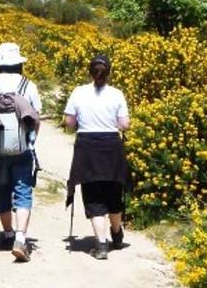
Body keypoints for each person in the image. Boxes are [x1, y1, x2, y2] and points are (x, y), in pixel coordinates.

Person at [0, 42, 42, 262]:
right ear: (19, 63)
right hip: (22, 149)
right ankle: (20, 238)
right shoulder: (28, 85)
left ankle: (8, 234)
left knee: (1, 189)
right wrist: (31, 141)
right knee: (23, 190)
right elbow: (36, 118)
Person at [64, 54, 130, 260]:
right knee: (113, 193)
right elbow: (125, 124)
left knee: (93, 196)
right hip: (111, 147)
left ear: (90, 72)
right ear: (109, 72)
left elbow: (69, 123)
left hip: (87, 148)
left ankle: (101, 245)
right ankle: (116, 232)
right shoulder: (117, 94)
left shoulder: (78, 92)